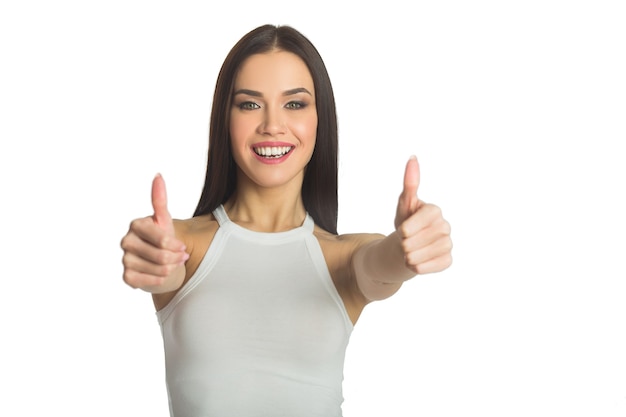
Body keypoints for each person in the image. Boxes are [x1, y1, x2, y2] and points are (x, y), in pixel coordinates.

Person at [120, 24, 452, 417]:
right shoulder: (182, 245)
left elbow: (381, 265)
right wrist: (151, 255)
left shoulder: (342, 259)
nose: (272, 125)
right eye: (249, 104)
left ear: (319, 120)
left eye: (294, 104)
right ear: (225, 120)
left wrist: (406, 249)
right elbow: (165, 267)